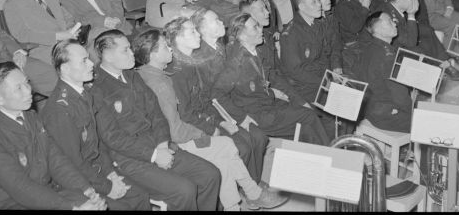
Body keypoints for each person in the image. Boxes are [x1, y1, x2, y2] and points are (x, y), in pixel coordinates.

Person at [139, 23, 286, 210]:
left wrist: (221, 122)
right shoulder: (169, 77)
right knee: (229, 147)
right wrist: (209, 130)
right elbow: (180, 120)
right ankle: (248, 194)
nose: (197, 34)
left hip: (193, 124)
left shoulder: (180, 67)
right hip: (181, 137)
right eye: (192, 31)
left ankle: (246, 195)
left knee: (232, 147)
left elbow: (205, 99)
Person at [90, 30, 222, 211]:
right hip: (130, 159)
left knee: (210, 174)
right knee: (184, 190)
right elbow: (113, 138)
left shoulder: (131, 75)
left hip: (158, 145)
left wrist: (161, 144)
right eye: (125, 50)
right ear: (107, 55)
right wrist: (154, 154)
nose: (132, 54)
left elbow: (156, 114)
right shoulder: (96, 88)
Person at [0, 62, 106, 210]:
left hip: (45, 191)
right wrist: (71, 208)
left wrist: (85, 189)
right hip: (12, 203)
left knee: (97, 203)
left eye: (27, 83)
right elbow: (20, 188)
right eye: (18, 88)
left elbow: (55, 159)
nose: (28, 91)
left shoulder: (30, 116)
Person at [40, 41, 150, 210]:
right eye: (84, 60)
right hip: (77, 182)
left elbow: (96, 144)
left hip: (96, 170)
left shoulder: (83, 94)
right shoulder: (59, 110)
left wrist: (110, 173)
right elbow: (72, 162)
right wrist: (107, 186)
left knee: (140, 195)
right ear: (65, 69)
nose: (92, 64)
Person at [211, 14, 330, 145]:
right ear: (243, 36)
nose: (261, 29)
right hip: (257, 114)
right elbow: (217, 93)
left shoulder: (257, 51)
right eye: (255, 27)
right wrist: (242, 118)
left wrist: (298, 100)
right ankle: (331, 157)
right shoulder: (236, 63)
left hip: (267, 103)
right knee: (309, 118)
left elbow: (270, 78)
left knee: (308, 118)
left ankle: (318, 156)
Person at [3, 0, 81, 65]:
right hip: (44, 48)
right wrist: (57, 36)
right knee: (77, 60)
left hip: (68, 39)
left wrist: (72, 29)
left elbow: (67, 17)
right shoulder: (11, 4)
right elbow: (22, 34)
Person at [280, 0, 342, 112]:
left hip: (324, 76)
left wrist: (336, 68)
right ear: (302, 7)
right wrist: (324, 82)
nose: (319, 4)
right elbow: (295, 72)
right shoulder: (290, 34)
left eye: (318, 0)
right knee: (339, 110)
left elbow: (331, 48)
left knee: (353, 99)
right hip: (304, 86)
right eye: (314, 2)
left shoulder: (319, 23)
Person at [356, 13, 413, 132]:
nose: (394, 23)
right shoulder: (387, 55)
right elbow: (399, 93)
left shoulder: (371, 47)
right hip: (387, 114)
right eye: (389, 22)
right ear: (378, 29)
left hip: (372, 109)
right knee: (432, 123)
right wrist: (412, 109)